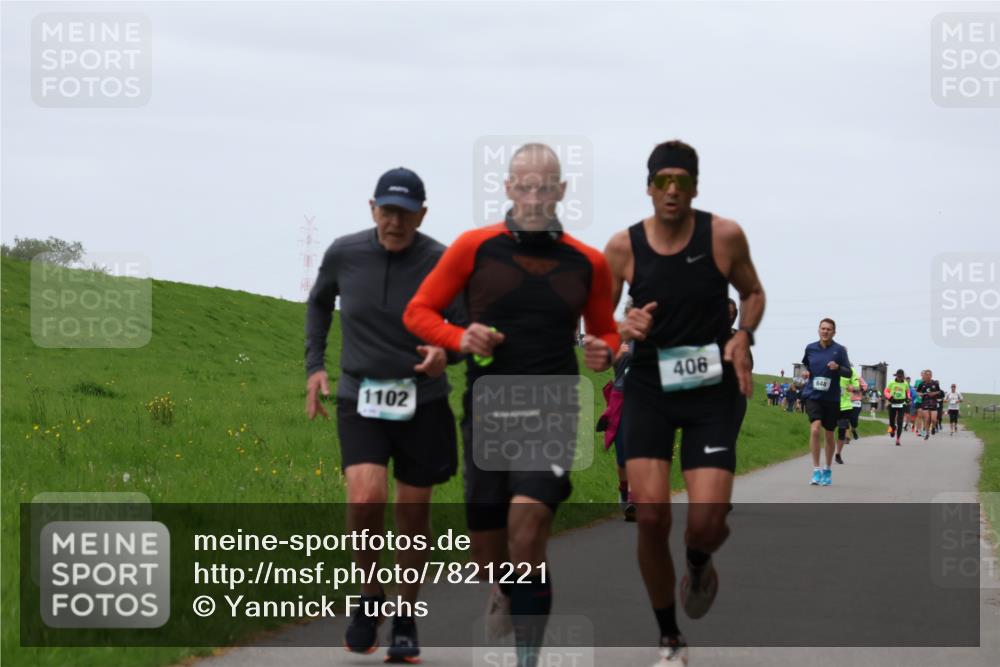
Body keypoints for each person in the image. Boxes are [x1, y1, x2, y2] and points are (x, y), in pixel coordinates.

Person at [403, 143, 619, 667]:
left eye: (545, 186)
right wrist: (460, 337)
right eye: (524, 185)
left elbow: (606, 330)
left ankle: (527, 656)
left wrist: (603, 350)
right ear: (507, 188)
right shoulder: (474, 248)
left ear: (562, 191)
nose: (534, 196)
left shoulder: (587, 262)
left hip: (552, 405)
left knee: (529, 525)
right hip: (490, 407)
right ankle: (500, 587)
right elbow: (419, 311)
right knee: (488, 547)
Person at [604, 140, 764, 666]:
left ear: (694, 186)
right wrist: (620, 329)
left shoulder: (722, 236)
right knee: (650, 517)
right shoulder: (623, 248)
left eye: (682, 180)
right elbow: (598, 323)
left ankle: (698, 561)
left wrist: (742, 333)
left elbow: (753, 292)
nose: (672, 190)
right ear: (649, 186)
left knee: (707, 520)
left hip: (710, 390)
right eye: (662, 180)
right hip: (650, 385)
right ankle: (669, 636)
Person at [305, 167, 465, 661]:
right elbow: (318, 302)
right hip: (361, 397)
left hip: (424, 401)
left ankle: (405, 615)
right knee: (367, 496)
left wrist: (448, 354)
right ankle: (369, 596)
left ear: (422, 214)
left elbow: (465, 326)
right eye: (386, 209)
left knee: (413, 516)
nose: (394, 221)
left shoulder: (442, 260)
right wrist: (315, 366)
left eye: (405, 212)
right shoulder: (343, 252)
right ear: (371, 207)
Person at [800, 318, 852, 486]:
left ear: (834, 332)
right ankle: (816, 470)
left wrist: (837, 368)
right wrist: (806, 373)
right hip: (813, 395)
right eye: (823, 328)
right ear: (818, 330)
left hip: (831, 398)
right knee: (815, 430)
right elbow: (807, 366)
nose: (825, 331)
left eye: (829, 329)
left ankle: (827, 468)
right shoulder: (810, 348)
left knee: (829, 434)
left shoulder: (839, 350)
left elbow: (848, 373)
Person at [597, 337, 636, 521]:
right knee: (622, 457)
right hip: (620, 399)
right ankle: (623, 491)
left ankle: (634, 499)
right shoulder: (617, 340)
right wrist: (616, 355)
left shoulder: (651, 338)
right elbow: (599, 366)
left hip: (644, 400)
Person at [835, 367, 865, 464]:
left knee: (843, 429)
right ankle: (830, 451)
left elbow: (858, 386)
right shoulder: (828, 367)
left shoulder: (851, 371)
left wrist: (854, 388)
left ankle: (838, 454)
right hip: (830, 404)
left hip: (845, 405)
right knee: (829, 430)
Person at [884, 369, 911, 446]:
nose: (900, 378)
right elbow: (886, 391)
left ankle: (898, 439)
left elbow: (908, 392)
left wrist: (908, 398)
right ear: (896, 376)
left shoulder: (905, 384)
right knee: (891, 421)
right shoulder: (891, 383)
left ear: (903, 377)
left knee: (900, 421)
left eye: (901, 377)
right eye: (898, 376)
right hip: (892, 402)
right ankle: (892, 430)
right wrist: (890, 397)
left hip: (901, 403)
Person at [917, 370, 943, 440]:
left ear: (931, 376)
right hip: (925, 403)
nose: (928, 376)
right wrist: (920, 394)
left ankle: (933, 427)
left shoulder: (935, 383)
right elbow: (917, 392)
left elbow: (939, 391)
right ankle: (927, 433)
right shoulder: (922, 384)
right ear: (924, 376)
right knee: (927, 418)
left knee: (934, 419)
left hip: (933, 403)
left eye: (929, 375)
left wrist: (934, 393)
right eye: (926, 375)